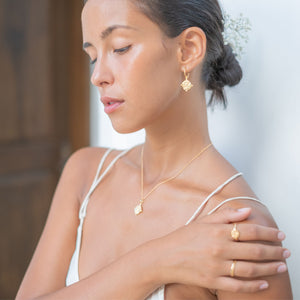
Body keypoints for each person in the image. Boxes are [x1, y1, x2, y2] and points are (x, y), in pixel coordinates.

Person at [16, 0, 292, 299]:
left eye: (120, 48)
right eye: (93, 56)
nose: (97, 76)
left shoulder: (237, 229)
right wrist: (157, 261)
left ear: (188, 50)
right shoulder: (85, 174)